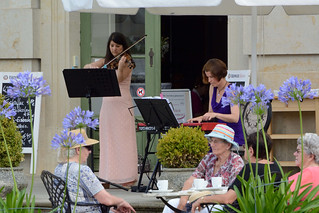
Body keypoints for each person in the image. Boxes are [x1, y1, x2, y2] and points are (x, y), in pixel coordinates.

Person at [84, 32, 138, 187]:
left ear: (123, 47)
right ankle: (107, 176)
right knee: (108, 141)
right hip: (107, 104)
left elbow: (119, 79)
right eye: (112, 45)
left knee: (123, 140)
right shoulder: (107, 61)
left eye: (118, 46)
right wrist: (92, 67)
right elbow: (87, 67)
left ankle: (126, 177)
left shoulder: (127, 62)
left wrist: (120, 67)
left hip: (121, 103)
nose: (114, 49)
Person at [190, 131, 282, 213]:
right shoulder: (276, 167)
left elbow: (228, 199)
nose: (244, 150)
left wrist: (202, 199)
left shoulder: (250, 168)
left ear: (251, 151)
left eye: (244, 147)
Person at [162, 124, 244, 213]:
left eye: (216, 141)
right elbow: (192, 179)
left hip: (221, 203)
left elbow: (231, 195)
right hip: (201, 199)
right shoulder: (209, 158)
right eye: (211, 141)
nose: (212, 144)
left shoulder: (236, 162)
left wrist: (204, 200)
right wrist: (183, 200)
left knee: (206, 210)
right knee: (172, 204)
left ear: (228, 145)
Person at [55, 129, 136, 213]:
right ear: (78, 150)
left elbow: (76, 196)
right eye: (88, 147)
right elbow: (106, 199)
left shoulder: (59, 168)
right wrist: (121, 201)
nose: (90, 151)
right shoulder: (82, 170)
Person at [188, 59, 244, 146]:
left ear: (220, 75)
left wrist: (216, 115)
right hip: (218, 133)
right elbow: (211, 112)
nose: (209, 80)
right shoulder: (212, 88)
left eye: (211, 77)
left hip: (232, 135)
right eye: (207, 77)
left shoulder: (232, 90)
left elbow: (235, 117)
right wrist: (201, 118)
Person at [289, 133, 319, 200]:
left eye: (298, 151)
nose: (294, 154)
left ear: (310, 156)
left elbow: (286, 198)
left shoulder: (308, 174)